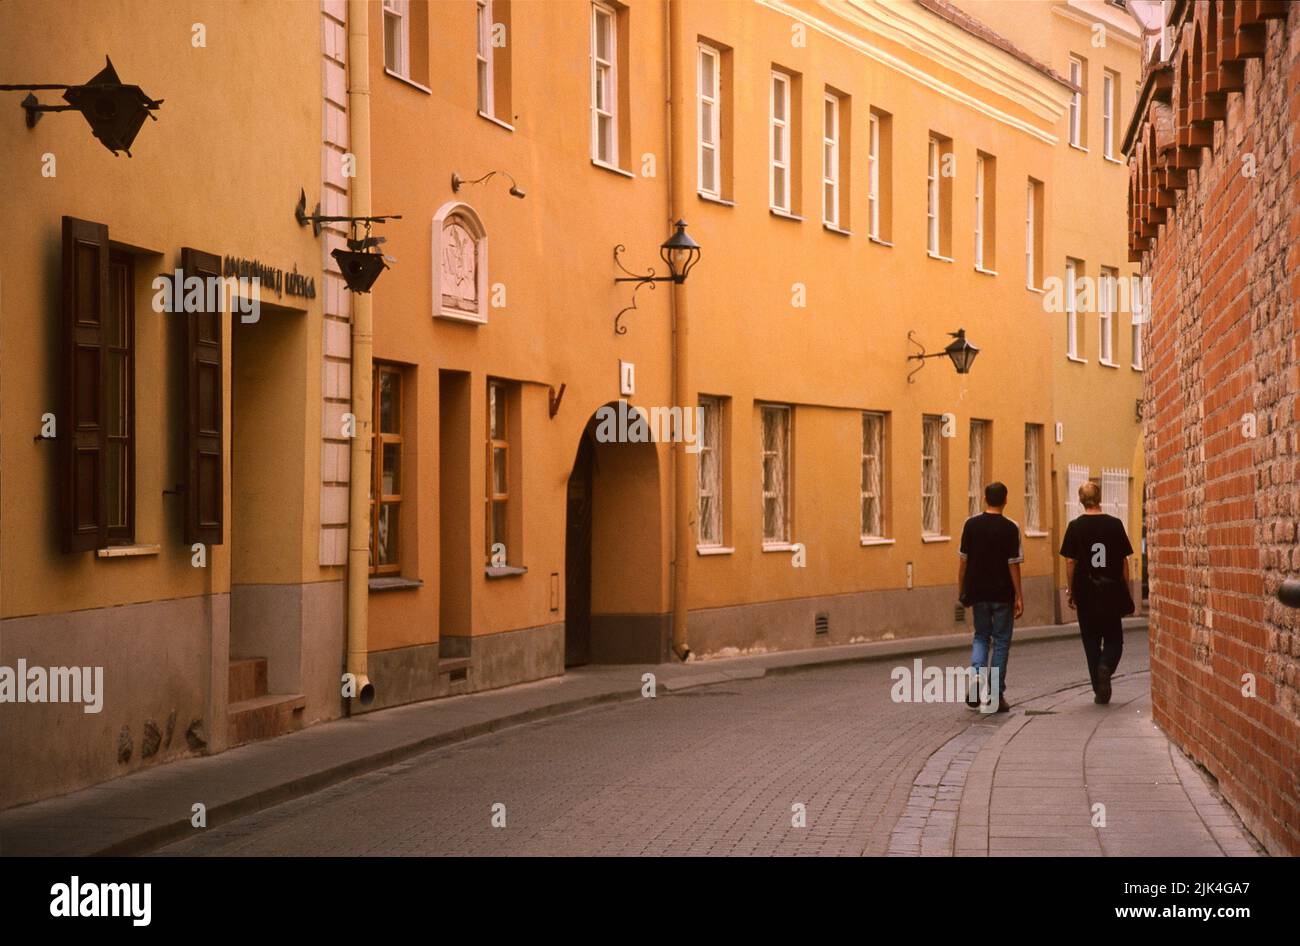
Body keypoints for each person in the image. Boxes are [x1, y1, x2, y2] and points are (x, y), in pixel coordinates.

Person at [1060, 481, 1134, 704]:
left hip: (1086, 590)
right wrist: (1125, 587)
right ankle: (1106, 666)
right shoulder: (1114, 524)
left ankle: (1098, 686)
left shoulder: (1075, 527)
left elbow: (1070, 561)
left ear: (1081, 501)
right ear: (1100, 498)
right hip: (1110, 588)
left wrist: (1071, 590)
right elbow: (1124, 561)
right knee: (1114, 638)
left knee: (1090, 641)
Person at [957, 482, 1024, 713]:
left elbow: (963, 560)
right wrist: (1019, 595)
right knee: (1002, 641)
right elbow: (1013, 565)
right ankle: (995, 694)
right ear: (1005, 500)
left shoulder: (971, 525)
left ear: (985, 498)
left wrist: (962, 589)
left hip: (978, 591)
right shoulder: (1011, 528)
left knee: (981, 637)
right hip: (1002, 593)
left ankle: (976, 677)